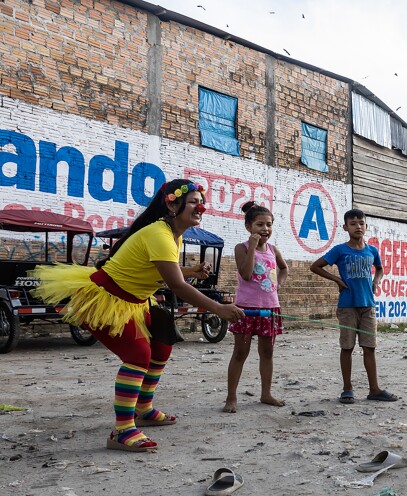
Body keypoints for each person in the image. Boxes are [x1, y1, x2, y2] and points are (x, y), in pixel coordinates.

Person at [33, 179, 245, 452]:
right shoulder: (160, 234)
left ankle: (143, 409)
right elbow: (177, 285)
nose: (201, 207)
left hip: (135, 301)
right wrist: (218, 309)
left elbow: (166, 273)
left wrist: (189, 272)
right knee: (137, 356)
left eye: (200, 202)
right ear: (172, 204)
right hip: (107, 298)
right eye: (193, 201)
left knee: (161, 346)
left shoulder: (171, 234)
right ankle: (122, 430)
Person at [310, 209, 398, 404]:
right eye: (353, 223)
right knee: (347, 348)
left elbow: (381, 269)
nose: (358, 226)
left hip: (368, 306)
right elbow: (315, 266)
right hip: (347, 306)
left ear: (366, 226)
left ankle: (374, 389)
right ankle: (347, 388)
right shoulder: (340, 250)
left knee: (369, 348)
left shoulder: (372, 250)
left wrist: (376, 280)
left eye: (361, 223)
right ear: (345, 227)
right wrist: (337, 280)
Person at [224, 201, 289, 413]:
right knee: (240, 353)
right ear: (248, 227)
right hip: (246, 309)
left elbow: (284, 268)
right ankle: (231, 397)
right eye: (260, 224)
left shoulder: (273, 249)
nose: (265, 229)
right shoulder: (241, 248)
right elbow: (246, 274)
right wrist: (252, 247)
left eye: (269, 224)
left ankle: (266, 393)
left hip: (269, 309)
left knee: (267, 353)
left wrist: (277, 285)